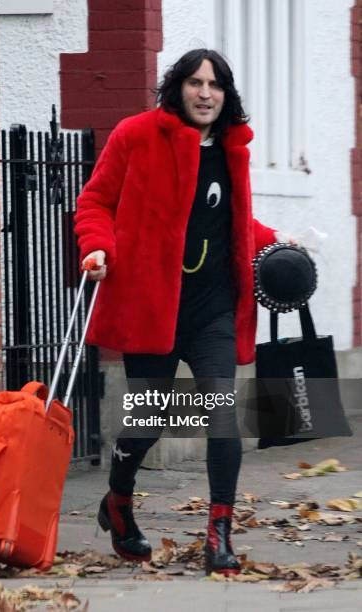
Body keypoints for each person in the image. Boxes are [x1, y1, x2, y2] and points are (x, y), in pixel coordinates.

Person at [74, 48, 278, 577]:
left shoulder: (232, 149)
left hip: (213, 308)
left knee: (221, 414)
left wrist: (280, 244)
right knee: (152, 422)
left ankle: (219, 534)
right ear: (177, 88)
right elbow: (95, 202)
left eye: (215, 84)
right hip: (153, 307)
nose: (205, 93)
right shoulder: (136, 135)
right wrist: (96, 248)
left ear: (226, 94)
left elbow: (237, 223)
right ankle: (118, 503)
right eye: (195, 83)